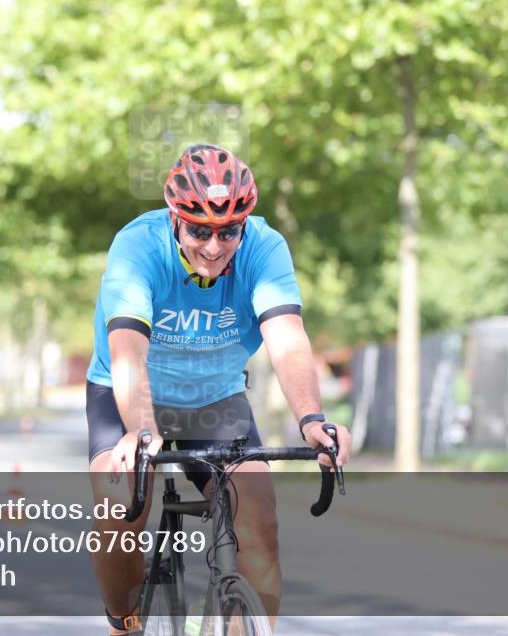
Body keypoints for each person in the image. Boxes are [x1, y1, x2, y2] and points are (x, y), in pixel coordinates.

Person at [86, 143, 353, 634]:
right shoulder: (138, 247)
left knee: (258, 526)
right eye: (198, 230)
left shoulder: (264, 248)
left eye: (229, 231)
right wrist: (142, 431)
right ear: (174, 217)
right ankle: (124, 624)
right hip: (129, 396)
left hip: (215, 399)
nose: (213, 246)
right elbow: (127, 352)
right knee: (119, 510)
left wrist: (313, 419)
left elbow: (288, 340)